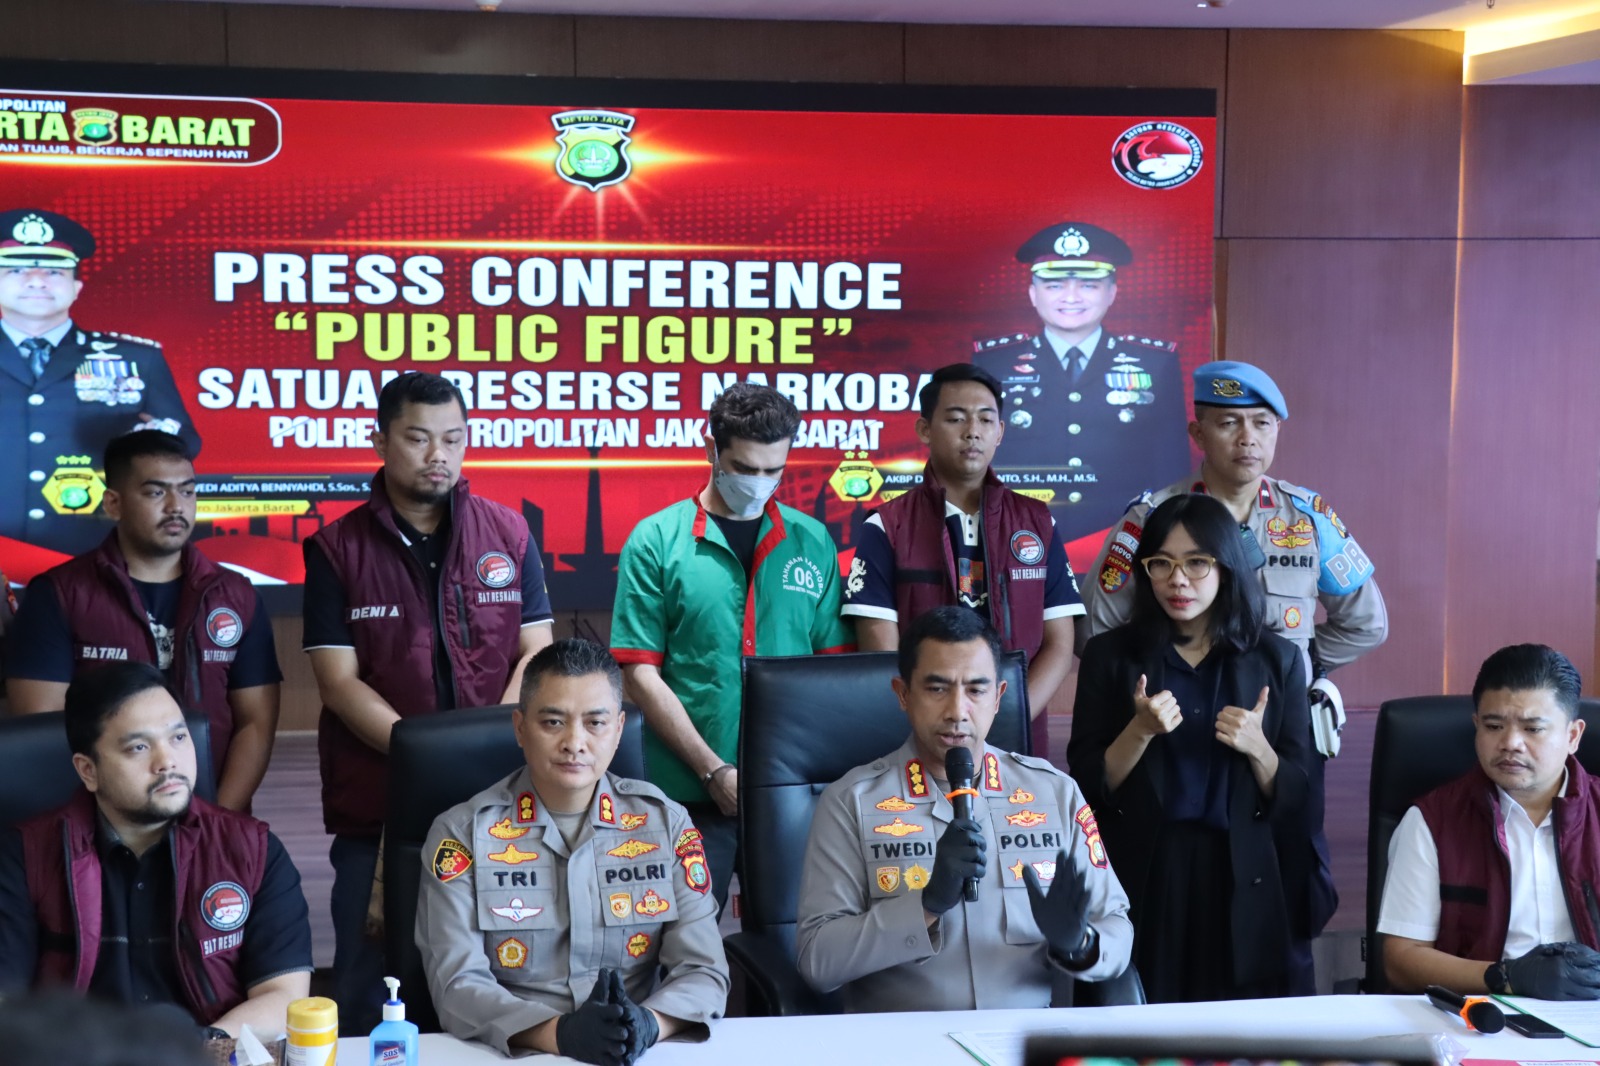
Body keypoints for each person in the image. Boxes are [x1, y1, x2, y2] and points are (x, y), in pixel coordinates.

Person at [1080, 359, 1386, 988]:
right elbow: (1099, 629)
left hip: (1266, 730)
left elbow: (1366, 622)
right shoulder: (1152, 516)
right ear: (1198, 434)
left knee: (1268, 909)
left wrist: (1296, 670)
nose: (1247, 439)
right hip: (1165, 733)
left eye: (1261, 424)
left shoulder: (1306, 517)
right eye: (1229, 424)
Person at [303, 370, 554, 1029]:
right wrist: (426, 759)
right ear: (380, 441)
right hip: (379, 807)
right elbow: (338, 682)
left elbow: (536, 652)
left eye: (453, 438)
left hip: (498, 800)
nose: (438, 454)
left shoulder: (508, 532)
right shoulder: (336, 549)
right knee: (369, 983)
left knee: (504, 970)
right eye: (418, 438)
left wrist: (491, 743)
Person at [795, 606, 1132, 1011]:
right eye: (937, 689)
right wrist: (925, 906)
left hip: (1026, 1035)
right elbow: (817, 961)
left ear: (999, 697)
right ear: (903, 694)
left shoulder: (1054, 792)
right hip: (902, 1038)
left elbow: (1116, 924)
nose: (957, 711)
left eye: (976, 690)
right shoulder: (851, 801)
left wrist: (1080, 943)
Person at [417, 639, 728, 1062]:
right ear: (520, 728)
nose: (574, 742)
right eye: (553, 722)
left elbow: (704, 969)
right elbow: (457, 984)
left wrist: (648, 1025)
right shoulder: (462, 834)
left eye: (595, 723)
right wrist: (560, 1035)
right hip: (514, 1052)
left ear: (618, 730)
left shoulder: (664, 825)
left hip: (634, 1050)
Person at [611, 383, 853, 913]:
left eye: (774, 470)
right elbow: (640, 674)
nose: (759, 482)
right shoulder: (655, 540)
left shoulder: (813, 541)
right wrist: (713, 771)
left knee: (797, 941)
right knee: (683, 943)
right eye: (745, 468)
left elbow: (833, 674)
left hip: (794, 794)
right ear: (711, 450)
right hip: (685, 794)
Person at [1068, 493, 1314, 1003]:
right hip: (1145, 875)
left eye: (1197, 563)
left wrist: (1259, 749)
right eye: (1161, 563)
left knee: (1238, 1037)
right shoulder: (1109, 656)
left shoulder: (1278, 660)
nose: (1177, 580)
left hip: (1242, 877)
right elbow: (1087, 789)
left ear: (1227, 567)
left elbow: (1300, 799)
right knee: (1141, 1031)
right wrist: (1137, 731)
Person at [0, 662, 313, 1035]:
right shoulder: (26, 855)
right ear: (88, 770)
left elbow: (284, 995)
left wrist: (200, 1050)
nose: (167, 761)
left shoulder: (251, 850)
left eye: (178, 737)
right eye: (139, 747)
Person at [5, 430, 281, 812]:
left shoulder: (236, 595)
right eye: (155, 492)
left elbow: (256, 724)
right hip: (96, 823)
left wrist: (218, 823)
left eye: (187, 491)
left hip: (213, 817)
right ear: (113, 503)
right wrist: (106, 826)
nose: (176, 506)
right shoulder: (59, 594)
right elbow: (42, 729)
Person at [844, 364, 1085, 757]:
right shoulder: (888, 525)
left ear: (1000, 432)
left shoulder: (1038, 522)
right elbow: (881, 653)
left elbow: (1059, 644)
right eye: (956, 418)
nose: (973, 431)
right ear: (925, 429)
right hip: (920, 743)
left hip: (1017, 743)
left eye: (985, 420)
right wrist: (942, 725)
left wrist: (1007, 719)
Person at [1380, 643, 1600, 1000]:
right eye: (1494, 726)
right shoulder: (1432, 821)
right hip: (1477, 1011)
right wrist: (1507, 977)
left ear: (1572, 736)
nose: (1510, 743)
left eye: (1532, 729)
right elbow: (1401, 961)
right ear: (1476, 727)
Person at [0, 207, 200, 557]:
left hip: (93, 549)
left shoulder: (137, 358)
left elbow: (186, 442)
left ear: (76, 287)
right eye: (16, 270)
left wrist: (152, 442)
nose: (36, 281)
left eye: (54, 271)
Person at [972, 221, 1188, 541]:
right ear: (1033, 294)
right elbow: (977, 461)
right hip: (1019, 538)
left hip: (1122, 540)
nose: (1071, 297)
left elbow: (1170, 467)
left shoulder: (1155, 363)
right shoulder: (994, 363)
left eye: (1088, 285)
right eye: (1054, 285)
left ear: (1112, 293)